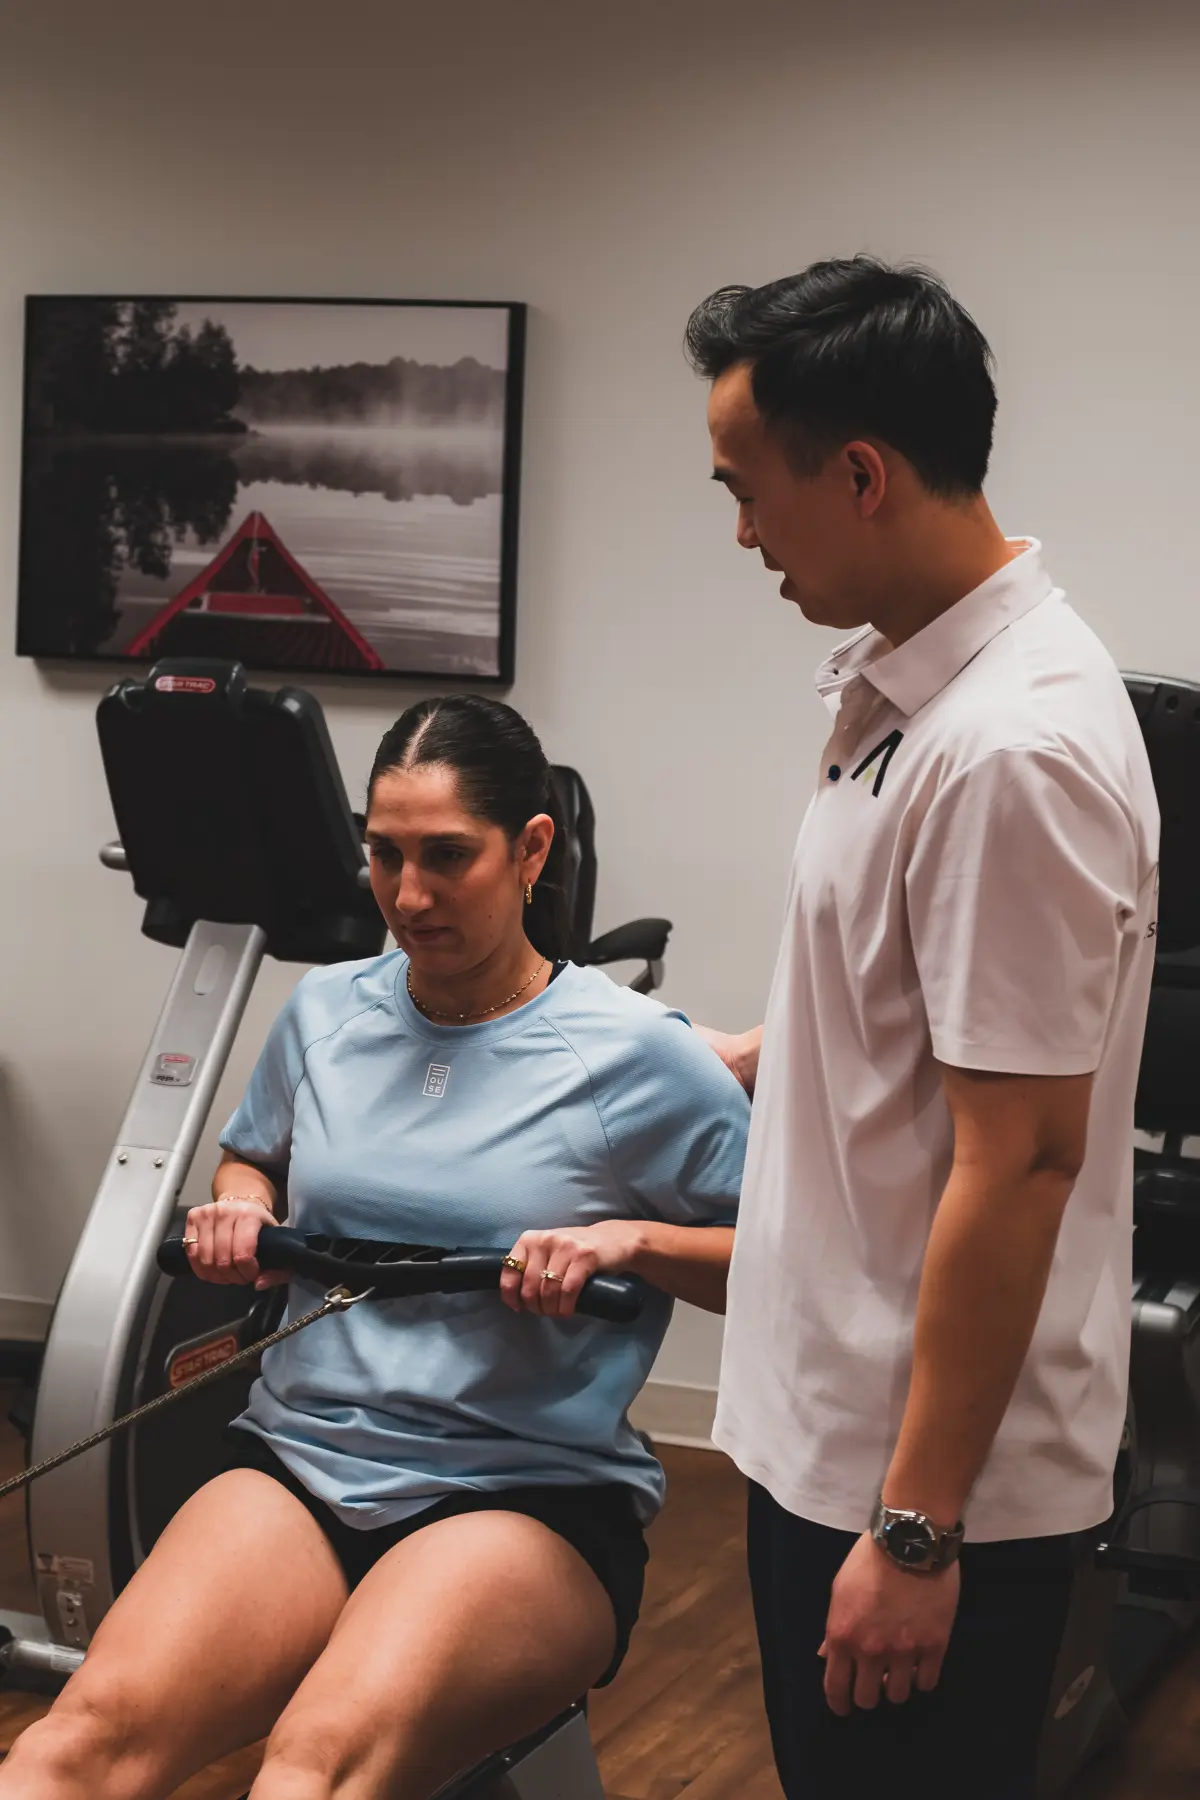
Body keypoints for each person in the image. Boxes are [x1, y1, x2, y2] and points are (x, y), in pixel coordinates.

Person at [1, 697, 748, 1800]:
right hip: (301, 1458)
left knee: (314, 1767)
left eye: (447, 856)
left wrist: (629, 1241)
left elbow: (785, 1266)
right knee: (70, 1747)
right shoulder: (326, 1011)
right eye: (385, 855)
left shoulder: (638, 1056)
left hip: (522, 1491)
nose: (408, 894)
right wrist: (242, 1208)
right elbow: (252, 1155)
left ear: (531, 848)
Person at [686, 257, 1159, 1799]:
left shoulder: (1011, 750)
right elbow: (916, 1005)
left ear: (861, 475)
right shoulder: (911, 699)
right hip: (834, 1435)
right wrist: (739, 1056)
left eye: (747, 492)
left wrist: (915, 1528)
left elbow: (1021, 1164)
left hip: (921, 1482)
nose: (743, 535)